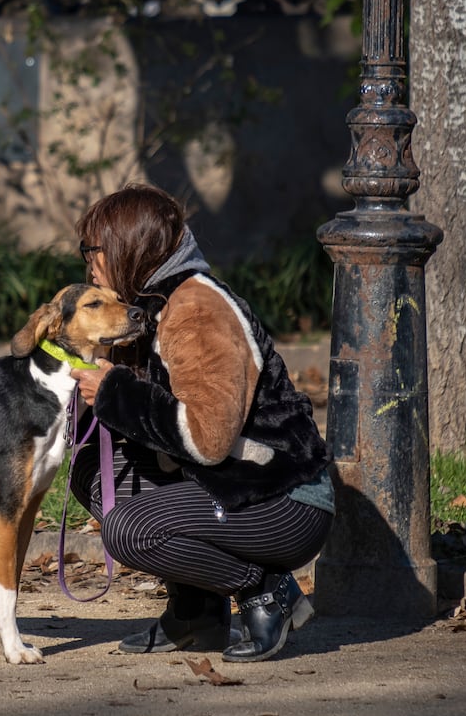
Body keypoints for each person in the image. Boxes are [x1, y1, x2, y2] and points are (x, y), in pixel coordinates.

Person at [68, 183, 335, 662]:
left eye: (94, 249)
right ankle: (197, 614)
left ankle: (267, 590)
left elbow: (208, 439)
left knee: (130, 530)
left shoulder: (196, 308)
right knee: (92, 473)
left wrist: (114, 392)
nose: (88, 263)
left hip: (282, 497)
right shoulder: (147, 308)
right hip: (227, 486)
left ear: (130, 247)